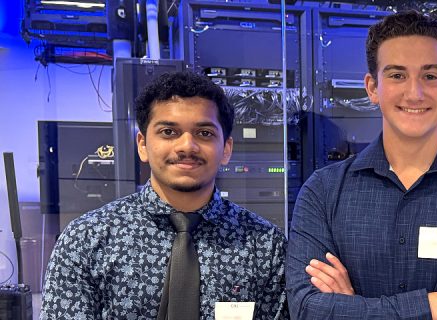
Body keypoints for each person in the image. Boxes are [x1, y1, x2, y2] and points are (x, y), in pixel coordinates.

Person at [286, 10, 437, 320]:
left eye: (429, 75)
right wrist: (430, 306)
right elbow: (307, 310)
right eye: (397, 75)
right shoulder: (323, 192)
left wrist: (351, 308)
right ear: (372, 87)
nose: (415, 93)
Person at [41, 71, 288, 319]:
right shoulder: (86, 240)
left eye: (204, 133)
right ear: (143, 145)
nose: (186, 146)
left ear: (226, 149)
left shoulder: (265, 246)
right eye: (169, 132)